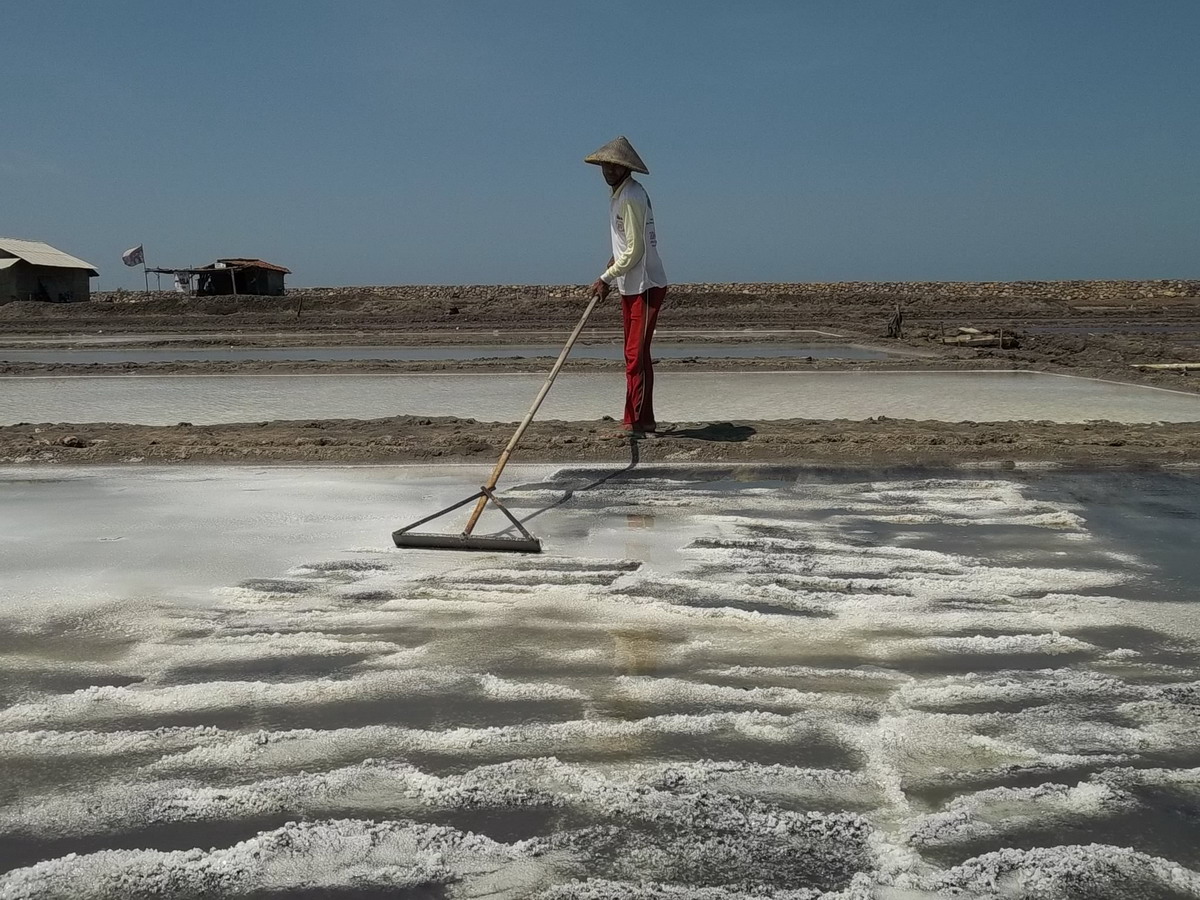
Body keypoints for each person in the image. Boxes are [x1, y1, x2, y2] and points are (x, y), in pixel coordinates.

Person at [585, 136, 668, 435]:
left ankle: (637, 421)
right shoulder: (618, 196)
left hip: (645, 285)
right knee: (634, 355)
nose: (608, 170)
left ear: (625, 168)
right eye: (605, 165)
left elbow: (636, 252)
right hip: (629, 284)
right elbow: (626, 244)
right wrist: (612, 263)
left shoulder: (632, 195)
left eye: (614, 166)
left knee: (636, 355)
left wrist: (605, 278)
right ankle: (638, 418)